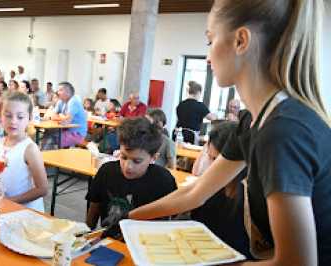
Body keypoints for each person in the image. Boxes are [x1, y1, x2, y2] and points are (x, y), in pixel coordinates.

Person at [114, 1, 331, 265]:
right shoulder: (254, 119)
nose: (207, 57)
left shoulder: (282, 131)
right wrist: (132, 218)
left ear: (241, 40)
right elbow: (195, 193)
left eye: (210, 40)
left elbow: (296, 262)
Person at [86, 117, 177, 236]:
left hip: (146, 243)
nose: (128, 166)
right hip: (110, 240)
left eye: (137, 161)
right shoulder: (106, 171)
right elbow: (94, 207)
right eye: (123, 157)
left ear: (154, 158)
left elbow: (172, 217)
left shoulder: (164, 180)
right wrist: (87, 233)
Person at [190, 121, 250, 257]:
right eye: (210, 158)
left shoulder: (251, 201)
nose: (211, 168)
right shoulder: (211, 190)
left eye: (216, 160)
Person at [0, 91, 48, 212]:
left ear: (29, 118)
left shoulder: (30, 149)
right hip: (3, 209)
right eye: (8, 115)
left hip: (25, 213)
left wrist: (10, 201)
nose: (13, 121)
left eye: (20, 117)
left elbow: (43, 189)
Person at [51, 82, 87, 147]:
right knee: (48, 133)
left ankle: (53, 155)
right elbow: (52, 116)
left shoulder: (73, 101)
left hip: (77, 133)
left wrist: (61, 116)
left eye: (60, 90)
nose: (57, 92)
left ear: (68, 92)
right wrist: (62, 116)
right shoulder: (61, 101)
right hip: (66, 131)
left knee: (52, 138)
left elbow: (66, 121)